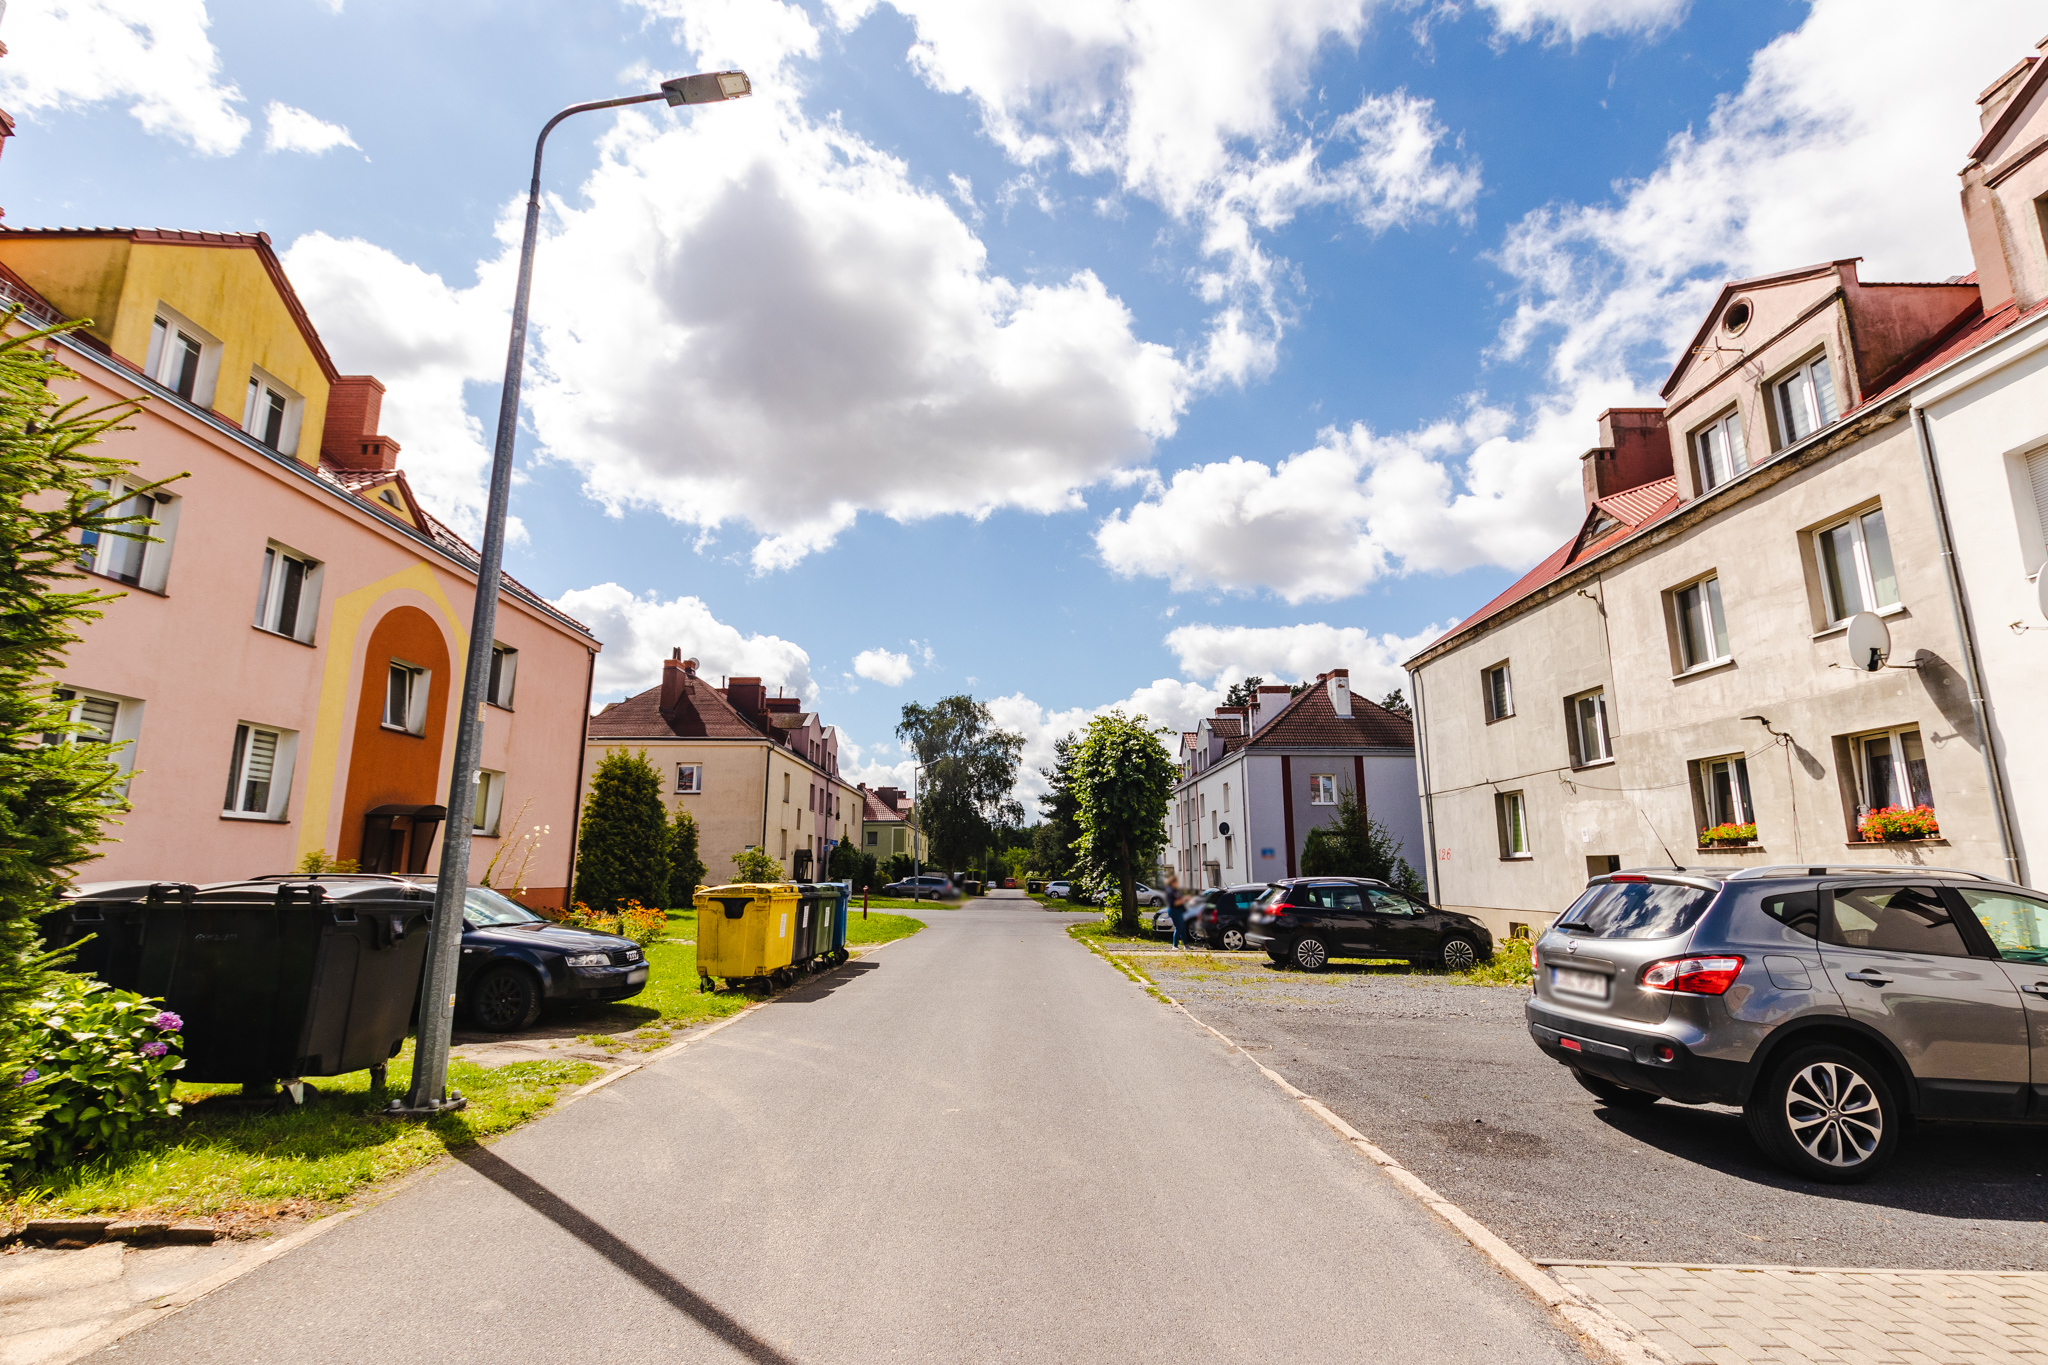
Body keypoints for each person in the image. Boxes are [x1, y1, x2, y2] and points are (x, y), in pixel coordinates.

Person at [1165, 873, 1186, 949]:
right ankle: (1175, 945)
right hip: (1174, 910)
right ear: (1173, 882)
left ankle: (1186, 945)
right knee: (1179, 927)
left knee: (1183, 928)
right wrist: (1184, 900)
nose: (1177, 883)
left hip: (1179, 910)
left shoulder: (1175, 890)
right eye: (1176, 882)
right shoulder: (1170, 891)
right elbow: (1174, 903)